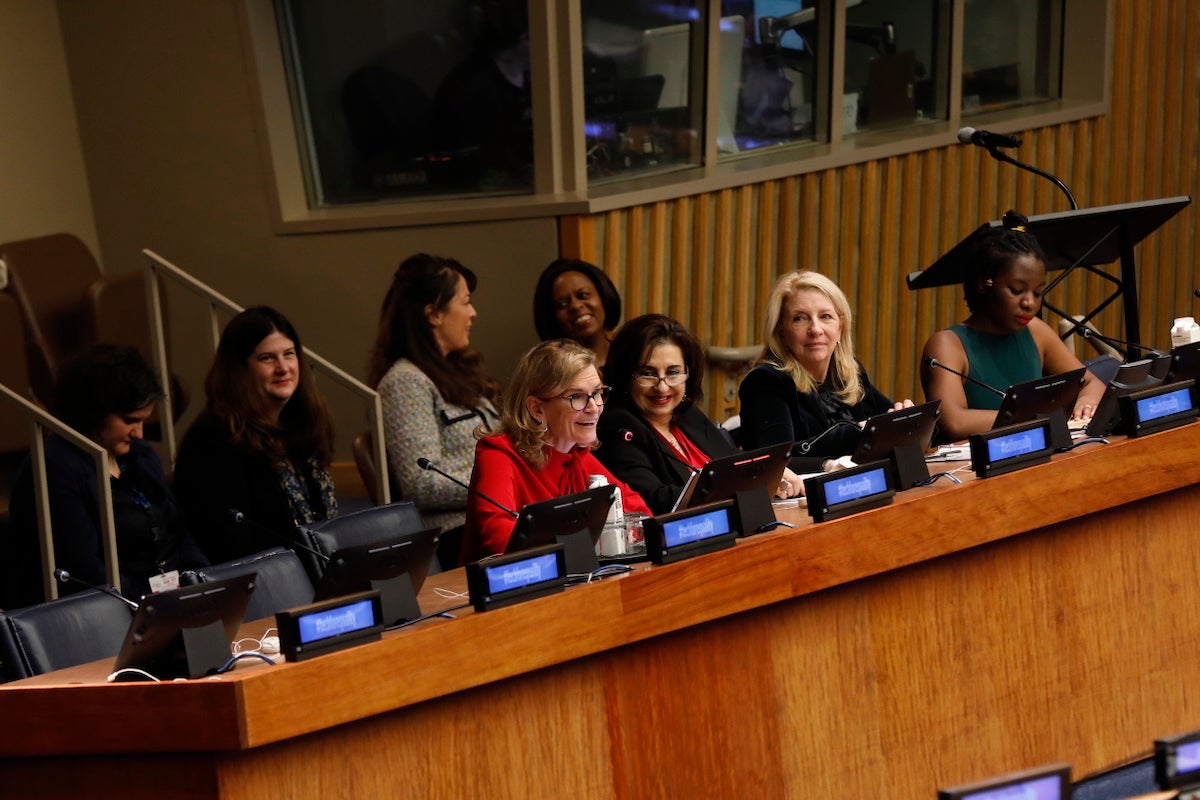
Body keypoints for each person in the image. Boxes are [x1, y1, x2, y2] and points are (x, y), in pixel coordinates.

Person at [6, 344, 207, 607]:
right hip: (108, 613)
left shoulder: (141, 456)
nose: (139, 433)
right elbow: (84, 569)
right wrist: (154, 603)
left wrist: (198, 577)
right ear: (93, 413)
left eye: (142, 421)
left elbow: (179, 532)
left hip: (163, 603)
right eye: (129, 420)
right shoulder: (54, 468)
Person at [920, 210, 1106, 442]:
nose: (1030, 303)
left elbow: (1090, 383)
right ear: (983, 283)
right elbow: (954, 422)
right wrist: (1038, 418)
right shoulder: (948, 344)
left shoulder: (1036, 331)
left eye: (1038, 292)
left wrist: (1086, 403)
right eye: (1017, 290)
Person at [459, 339, 650, 564]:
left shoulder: (576, 454)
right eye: (576, 397)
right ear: (537, 408)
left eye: (597, 393)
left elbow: (640, 513)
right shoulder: (498, 454)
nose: (593, 407)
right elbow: (502, 541)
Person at [174, 306, 337, 565]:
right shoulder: (212, 440)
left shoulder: (302, 423)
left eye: (289, 354)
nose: (283, 368)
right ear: (240, 370)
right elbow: (230, 546)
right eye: (267, 358)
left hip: (321, 573)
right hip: (266, 587)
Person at [595, 314, 803, 513]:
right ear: (624, 377)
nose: (662, 387)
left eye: (673, 372)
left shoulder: (688, 415)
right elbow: (656, 500)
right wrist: (747, 486)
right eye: (647, 374)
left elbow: (733, 461)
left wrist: (770, 473)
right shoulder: (618, 427)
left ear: (688, 373)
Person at [367, 253, 500, 534]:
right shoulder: (404, 382)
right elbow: (421, 482)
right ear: (434, 314)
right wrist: (500, 478)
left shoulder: (458, 373)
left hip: (498, 514)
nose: (472, 313)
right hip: (461, 531)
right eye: (465, 302)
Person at [739, 270, 914, 474]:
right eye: (799, 319)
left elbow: (885, 424)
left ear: (840, 327)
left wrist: (906, 419)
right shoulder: (767, 382)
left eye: (825, 316)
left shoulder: (846, 372)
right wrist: (858, 433)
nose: (815, 329)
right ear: (781, 333)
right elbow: (776, 460)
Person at [532, 258, 622, 369]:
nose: (575, 306)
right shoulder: (550, 375)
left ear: (604, 297)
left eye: (583, 295)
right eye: (562, 304)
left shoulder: (633, 356)